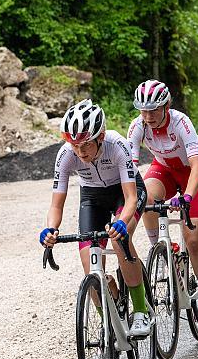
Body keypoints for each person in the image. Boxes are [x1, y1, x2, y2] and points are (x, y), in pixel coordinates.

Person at [40, 99, 151, 336]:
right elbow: (56, 204)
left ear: (100, 136)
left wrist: (122, 222)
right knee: (90, 267)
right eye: (74, 146)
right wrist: (50, 229)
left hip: (125, 192)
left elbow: (131, 198)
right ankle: (107, 323)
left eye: (85, 145)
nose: (80, 152)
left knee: (120, 240)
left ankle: (141, 311)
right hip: (92, 197)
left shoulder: (117, 145)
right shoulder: (66, 155)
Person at [127, 79, 198, 328]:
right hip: (164, 170)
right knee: (144, 196)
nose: (148, 116)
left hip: (191, 173)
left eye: (154, 109)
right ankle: (161, 250)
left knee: (194, 240)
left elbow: (197, 165)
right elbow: (131, 170)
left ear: (166, 105)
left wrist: (186, 197)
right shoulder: (138, 126)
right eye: (143, 110)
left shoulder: (181, 122)